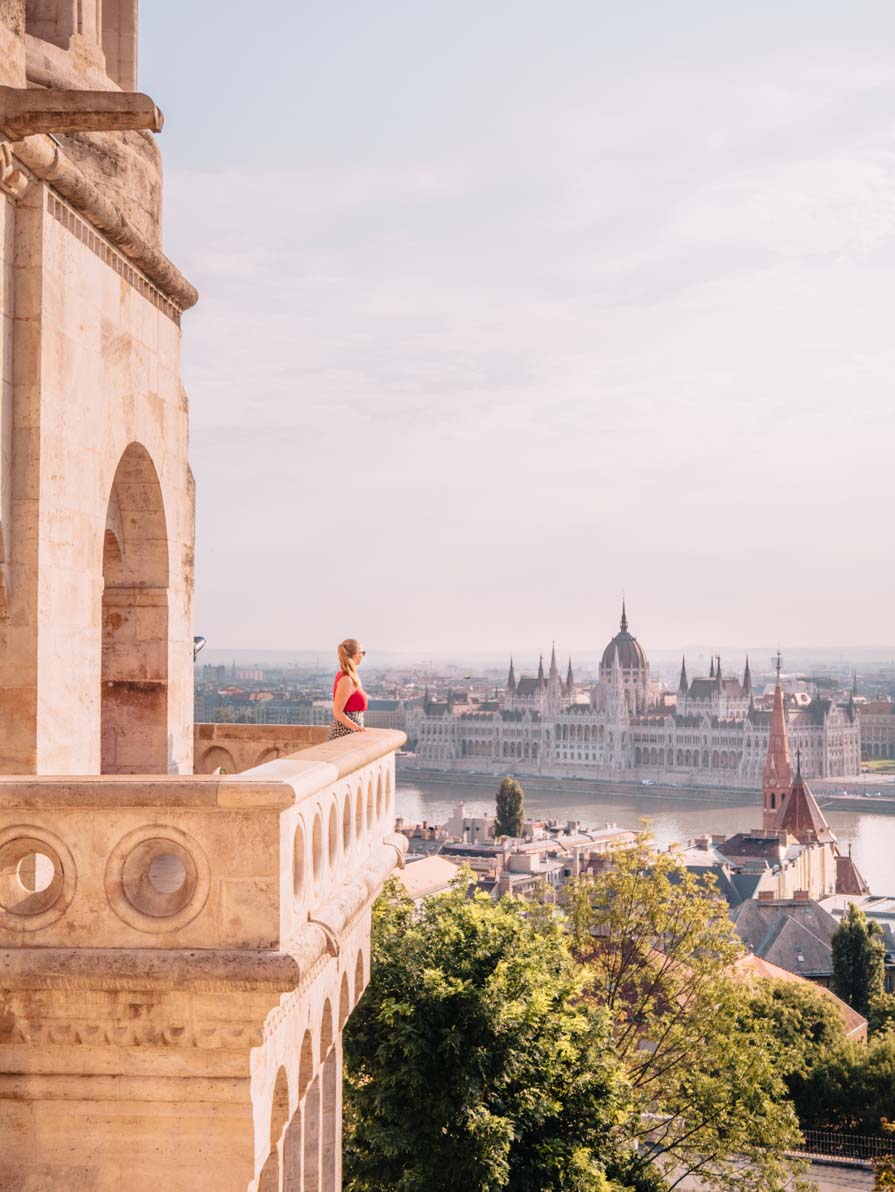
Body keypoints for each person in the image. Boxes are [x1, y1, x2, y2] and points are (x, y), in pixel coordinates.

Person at [327, 638, 368, 739]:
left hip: (349, 732)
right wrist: (356, 728)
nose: (363, 655)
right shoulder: (346, 679)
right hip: (345, 733)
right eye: (362, 652)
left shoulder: (349, 676)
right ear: (355, 654)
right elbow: (337, 711)